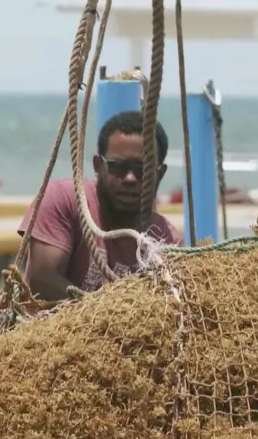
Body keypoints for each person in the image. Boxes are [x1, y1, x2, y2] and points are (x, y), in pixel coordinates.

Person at [18, 110, 183, 302]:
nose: (130, 178)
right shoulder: (63, 199)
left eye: (142, 169)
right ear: (98, 166)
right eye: (118, 166)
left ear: (159, 174)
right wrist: (106, 312)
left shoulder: (168, 241)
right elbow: (42, 279)